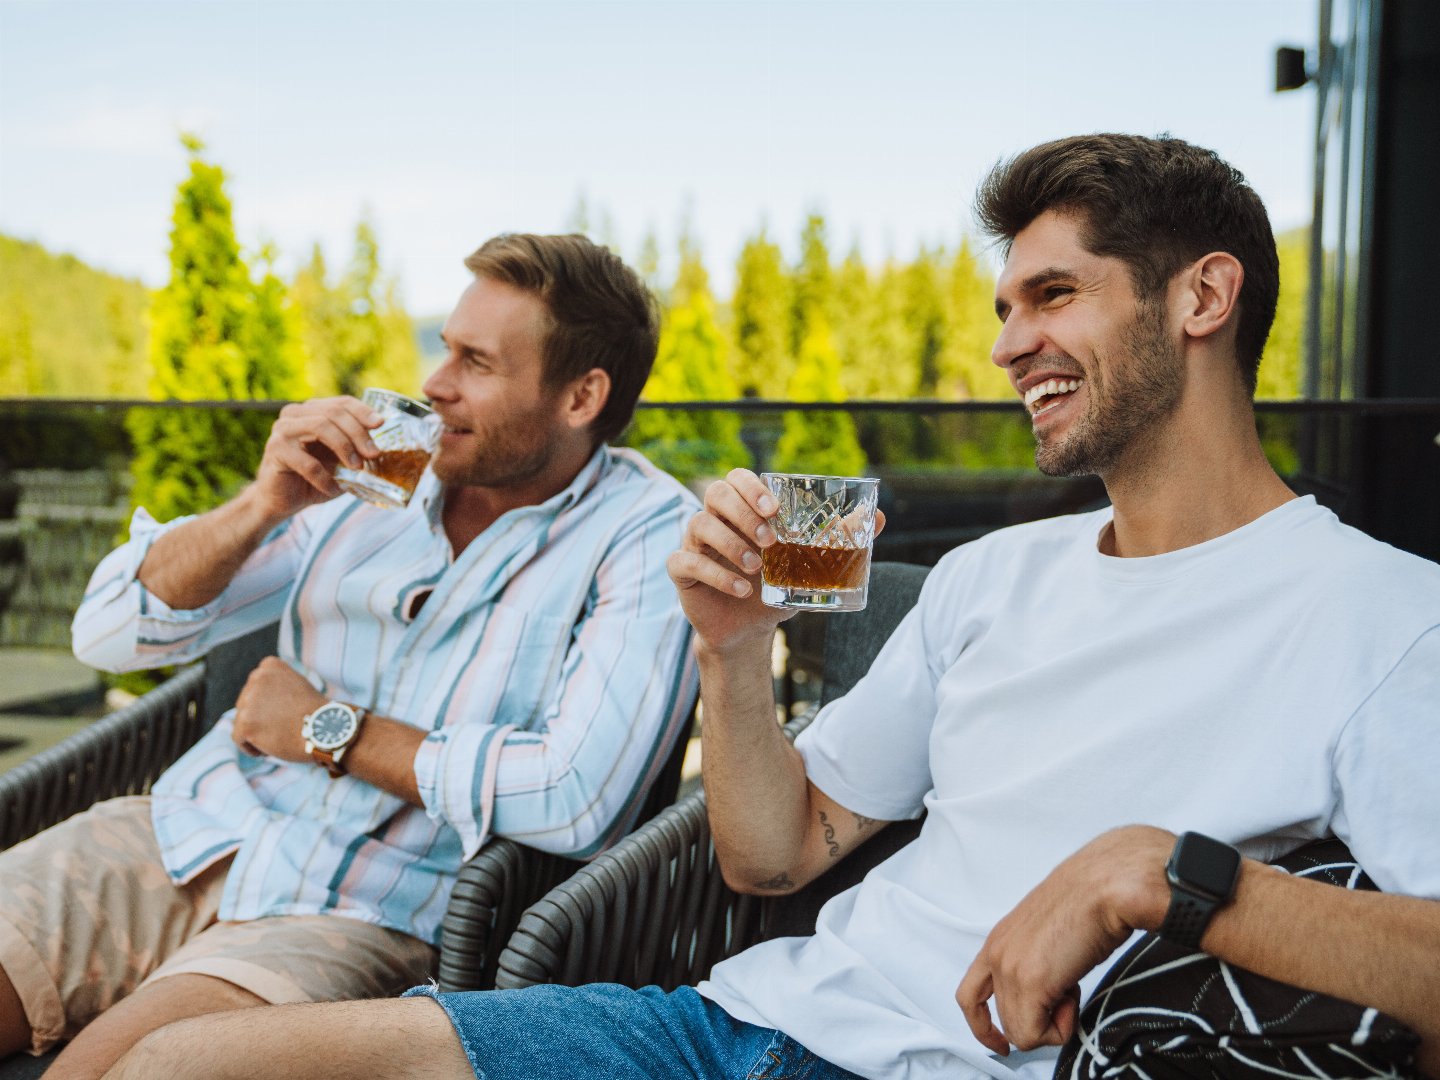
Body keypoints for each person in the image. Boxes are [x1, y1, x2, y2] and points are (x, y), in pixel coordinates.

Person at [102, 135, 1440, 1080]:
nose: (1005, 343)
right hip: (729, 1029)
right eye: (1003, 305)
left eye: (1054, 296)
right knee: (184, 1065)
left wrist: (1158, 875)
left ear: (1204, 296)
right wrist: (732, 650)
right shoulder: (992, 581)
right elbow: (773, 857)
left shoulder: (1382, 616)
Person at [0, 233, 701, 1080]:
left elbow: (577, 795)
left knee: (112, 1072)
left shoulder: (646, 536)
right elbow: (111, 635)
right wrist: (264, 504)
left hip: (366, 906)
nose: (434, 385)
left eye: (476, 362)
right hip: (188, 830)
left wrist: (330, 730)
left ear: (582, 395)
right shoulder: (369, 482)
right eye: (444, 348)